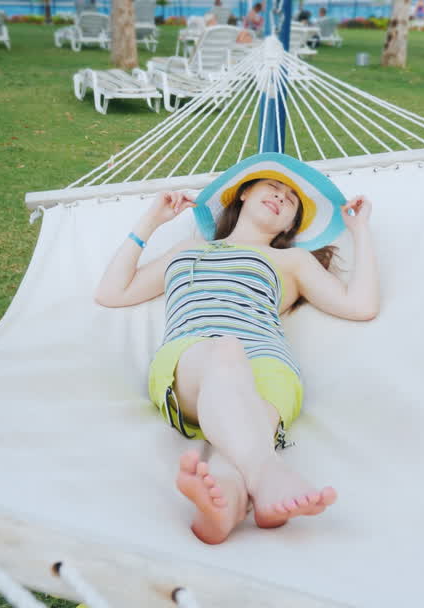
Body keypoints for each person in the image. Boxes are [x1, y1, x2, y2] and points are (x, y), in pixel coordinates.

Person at [94, 153, 379, 545]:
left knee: (240, 433)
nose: (281, 199)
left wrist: (360, 231)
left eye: (291, 203)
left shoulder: (291, 260)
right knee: (225, 350)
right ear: (243, 194)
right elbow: (112, 293)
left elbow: (361, 306)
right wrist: (151, 221)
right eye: (273, 189)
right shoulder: (186, 250)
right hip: (191, 359)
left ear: (289, 226)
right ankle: (268, 475)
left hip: (268, 365)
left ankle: (226, 505)